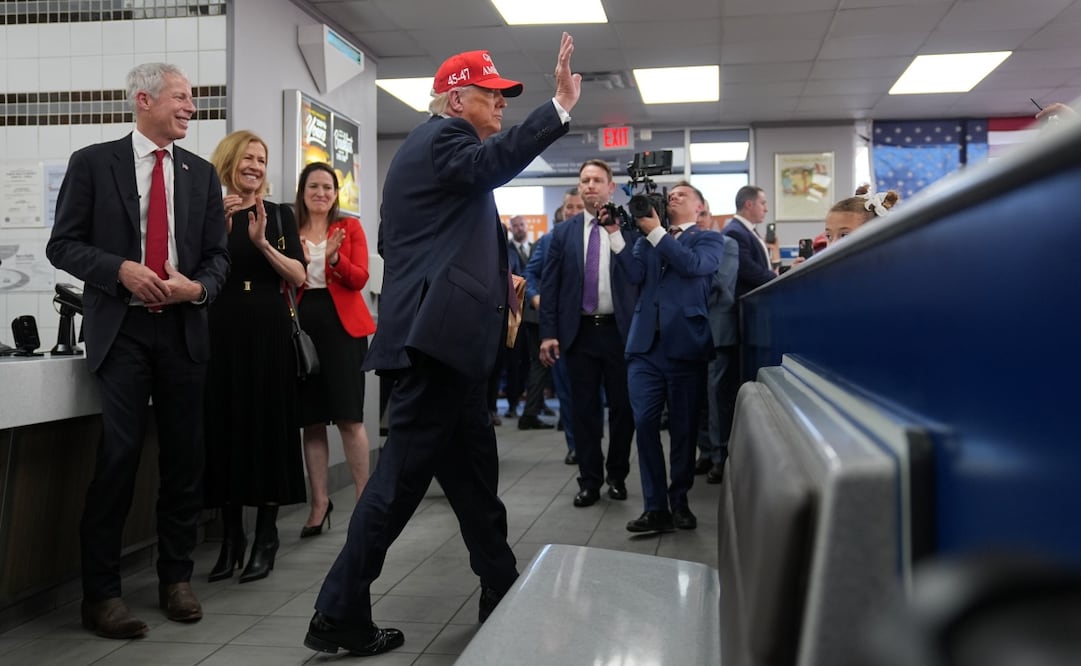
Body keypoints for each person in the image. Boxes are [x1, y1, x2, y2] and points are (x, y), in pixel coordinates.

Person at [304, 33, 581, 657]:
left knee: (475, 479)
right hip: (438, 346)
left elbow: (407, 244)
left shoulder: (429, 153)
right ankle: (337, 610)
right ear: (458, 101)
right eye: (494, 95)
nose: (503, 104)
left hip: (446, 342)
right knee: (398, 483)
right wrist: (557, 108)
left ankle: (500, 587)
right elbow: (490, 164)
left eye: (507, 97)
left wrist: (486, 278)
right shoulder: (444, 141)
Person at [46, 62, 229, 638]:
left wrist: (197, 288)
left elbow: (218, 259)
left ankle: (176, 579)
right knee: (118, 459)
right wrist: (118, 269)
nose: (191, 109)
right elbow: (63, 245)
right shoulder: (93, 163)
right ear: (144, 99)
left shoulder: (201, 175)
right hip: (121, 334)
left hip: (181, 332)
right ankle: (101, 595)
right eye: (181, 98)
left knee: (184, 461)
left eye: (192, 100)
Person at [203, 131, 308, 584]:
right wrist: (219, 233)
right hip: (221, 329)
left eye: (261, 159)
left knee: (266, 427)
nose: (255, 166)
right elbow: (194, 271)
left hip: (268, 329)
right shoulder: (207, 213)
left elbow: (300, 275)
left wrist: (263, 242)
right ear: (229, 161)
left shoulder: (279, 214)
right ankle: (231, 539)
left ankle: (266, 537)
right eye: (248, 157)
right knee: (224, 428)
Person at [611, 181, 727, 532]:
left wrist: (657, 232)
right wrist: (617, 234)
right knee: (645, 423)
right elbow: (633, 275)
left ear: (700, 208)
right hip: (644, 346)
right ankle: (655, 506)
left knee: (683, 429)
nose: (673, 197)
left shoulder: (709, 239)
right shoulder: (649, 237)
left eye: (682, 195)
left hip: (685, 346)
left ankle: (679, 501)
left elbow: (692, 266)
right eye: (671, 194)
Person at [539, 159, 638, 508]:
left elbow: (636, 275)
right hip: (579, 334)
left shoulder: (628, 227)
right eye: (584, 180)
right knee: (583, 411)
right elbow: (549, 287)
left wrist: (615, 235)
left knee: (624, 410)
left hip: (621, 334)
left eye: (597, 180)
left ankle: (617, 475)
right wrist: (548, 333)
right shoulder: (563, 234)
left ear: (611, 187)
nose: (590, 186)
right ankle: (590, 480)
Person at [293, 161, 378, 538]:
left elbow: (359, 277)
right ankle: (319, 503)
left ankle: (365, 500)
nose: (322, 193)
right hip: (302, 329)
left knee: (349, 416)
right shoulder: (289, 230)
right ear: (303, 191)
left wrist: (332, 257)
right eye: (314, 186)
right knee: (311, 420)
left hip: (343, 329)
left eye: (328, 187)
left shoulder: (349, 228)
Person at [526, 188, 586, 461]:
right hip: (561, 327)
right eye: (569, 207)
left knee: (592, 394)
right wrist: (535, 296)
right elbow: (531, 272)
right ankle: (576, 445)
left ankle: (592, 445)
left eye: (578, 207)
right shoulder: (550, 240)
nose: (572, 212)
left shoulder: (601, 237)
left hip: (593, 326)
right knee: (567, 390)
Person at [504, 215, 538, 424]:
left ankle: (534, 403)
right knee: (513, 361)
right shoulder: (506, 251)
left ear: (527, 226)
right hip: (513, 315)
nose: (518, 228)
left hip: (534, 314)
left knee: (531, 360)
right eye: (514, 226)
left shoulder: (536, 248)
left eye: (521, 225)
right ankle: (512, 403)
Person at [723, 185, 776, 298]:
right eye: (763, 203)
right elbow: (749, 270)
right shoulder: (735, 232)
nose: (766, 209)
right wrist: (776, 276)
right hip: (749, 301)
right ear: (749, 205)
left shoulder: (749, 230)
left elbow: (760, 264)